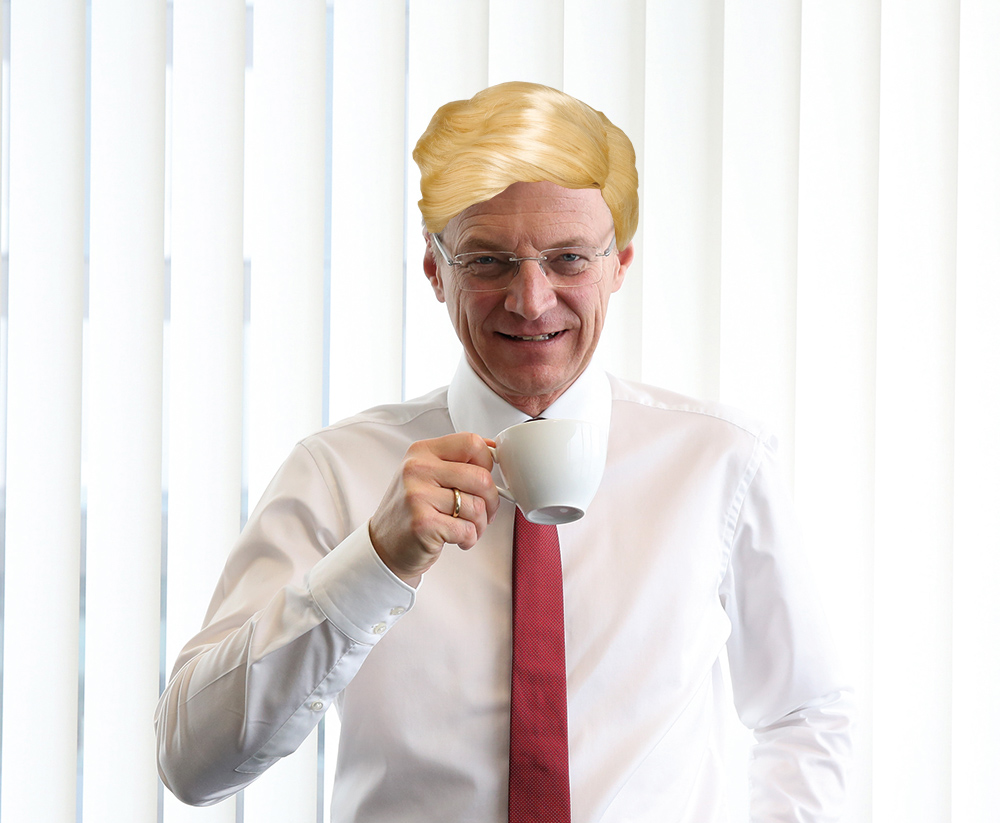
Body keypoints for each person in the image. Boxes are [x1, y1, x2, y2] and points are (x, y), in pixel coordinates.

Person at [155, 81, 854, 822]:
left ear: (619, 263)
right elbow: (191, 764)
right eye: (487, 261)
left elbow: (805, 712)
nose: (531, 299)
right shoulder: (336, 474)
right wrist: (372, 563)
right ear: (436, 270)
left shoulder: (721, 463)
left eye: (568, 259)